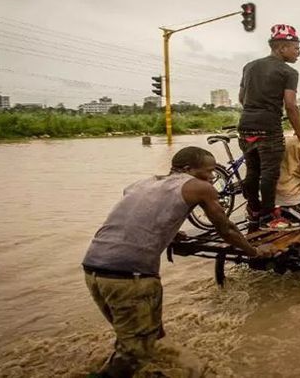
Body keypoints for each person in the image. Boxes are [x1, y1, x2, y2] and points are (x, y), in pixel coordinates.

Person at [82, 147, 272, 378]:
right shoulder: (200, 187)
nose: (212, 177)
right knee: (136, 352)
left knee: (142, 337)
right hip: (130, 275)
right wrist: (254, 252)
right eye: (209, 171)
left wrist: (171, 234)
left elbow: (139, 217)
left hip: (94, 267)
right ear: (188, 169)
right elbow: (227, 229)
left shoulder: (140, 184)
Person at [237, 23, 300, 231]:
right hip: (269, 128)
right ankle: (270, 218)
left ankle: (254, 209)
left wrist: (254, 112)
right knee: (269, 174)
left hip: (246, 127)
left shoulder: (249, 66)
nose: (299, 52)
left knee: (252, 171)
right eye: (296, 47)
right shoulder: (288, 72)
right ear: (281, 48)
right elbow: (291, 105)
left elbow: (242, 98)